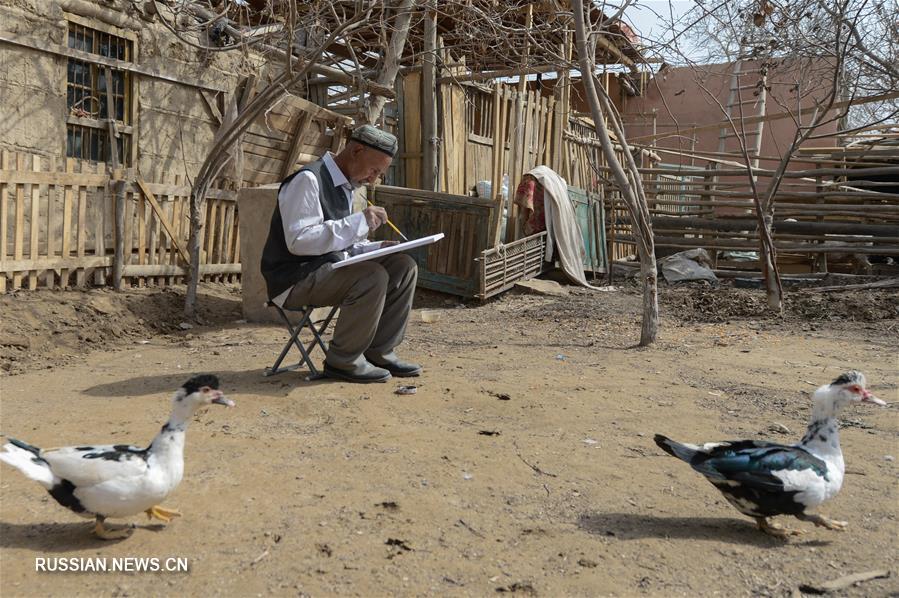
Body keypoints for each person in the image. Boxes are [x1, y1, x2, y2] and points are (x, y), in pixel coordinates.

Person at [261, 125, 421, 383]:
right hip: (293, 279)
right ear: (356, 150)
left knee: (403, 265)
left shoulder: (346, 186)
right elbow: (299, 242)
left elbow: (341, 246)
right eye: (374, 170)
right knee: (372, 276)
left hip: (325, 271)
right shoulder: (308, 180)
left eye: (379, 174)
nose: (373, 179)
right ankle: (343, 362)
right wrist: (359, 222)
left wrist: (377, 248)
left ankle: (379, 352)